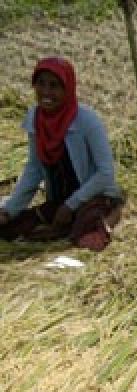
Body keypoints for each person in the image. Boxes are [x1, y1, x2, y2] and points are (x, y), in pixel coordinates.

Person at [0, 57, 123, 252]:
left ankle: (112, 213)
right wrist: (10, 209)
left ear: (68, 89)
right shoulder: (36, 119)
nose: (46, 92)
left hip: (92, 196)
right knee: (10, 229)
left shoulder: (87, 121)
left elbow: (105, 173)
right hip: (58, 199)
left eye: (54, 85)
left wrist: (70, 205)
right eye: (41, 84)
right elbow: (34, 168)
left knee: (86, 240)